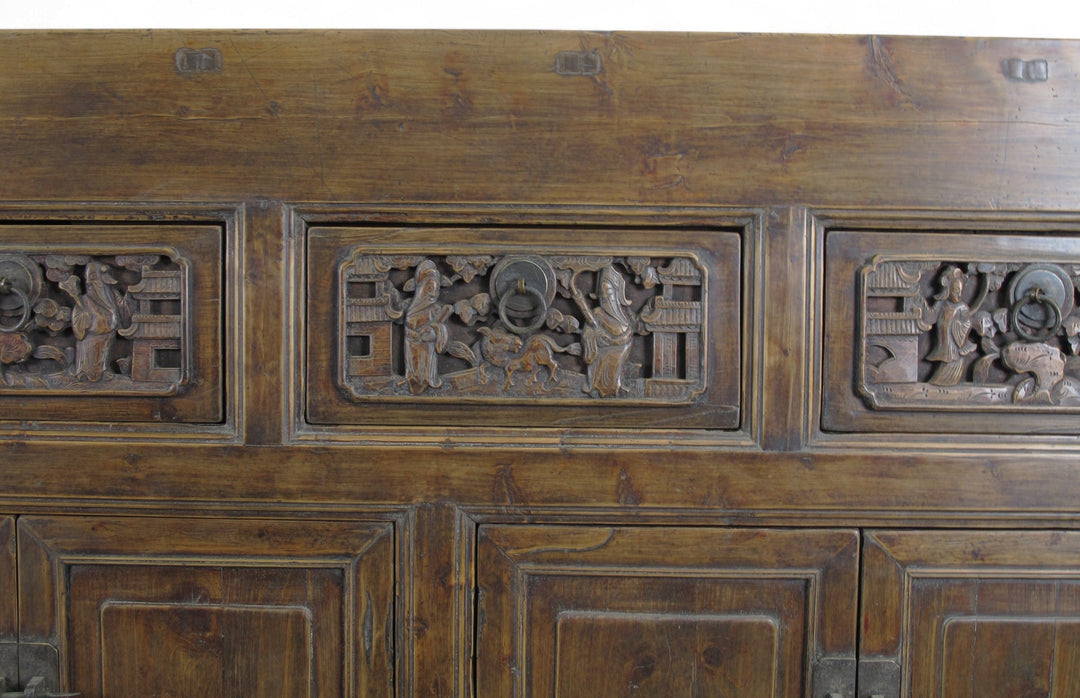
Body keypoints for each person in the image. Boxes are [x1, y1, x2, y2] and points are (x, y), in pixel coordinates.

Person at [571, 265, 634, 397]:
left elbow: (628, 335)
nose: (605, 297)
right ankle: (595, 389)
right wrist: (595, 337)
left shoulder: (623, 318)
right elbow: (587, 333)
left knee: (615, 366)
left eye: (609, 293)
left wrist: (613, 341)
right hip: (601, 352)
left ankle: (616, 388)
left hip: (619, 352)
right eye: (602, 294)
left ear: (616, 294)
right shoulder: (597, 313)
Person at [926, 266, 976, 386]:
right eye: (955, 291)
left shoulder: (962, 307)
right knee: (943, 365)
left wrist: (959, 323)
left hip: (954, 343)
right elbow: (930, 317)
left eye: (960, 291)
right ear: (947, 290)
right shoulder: (941, 304)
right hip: (944, 341)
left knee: (953, 364)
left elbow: (967, 323)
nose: (958, 295)